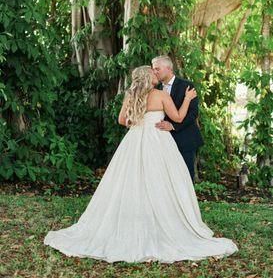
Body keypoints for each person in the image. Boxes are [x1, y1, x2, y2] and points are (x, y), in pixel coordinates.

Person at [44, 66, 238, 263]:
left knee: (130, 181)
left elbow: (122, 120)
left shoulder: (131, 94)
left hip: (135, 139)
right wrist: (187, 100)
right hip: (159, 140)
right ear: (149, 77)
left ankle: (135, 222)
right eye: (153, 73)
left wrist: (139, 123)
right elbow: (178, 118)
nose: (156, 74)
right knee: (161, 181)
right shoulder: (160, 95)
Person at [152, 55, 203, 183]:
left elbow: (193, 113)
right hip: (161, 140)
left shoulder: (186, 85)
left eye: (157, 69)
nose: (154, 72)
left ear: (169, 68)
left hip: (184, 138)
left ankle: (187, 203)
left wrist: (173, 126)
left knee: (185, 176)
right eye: (154, 69)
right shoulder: (154, 89)